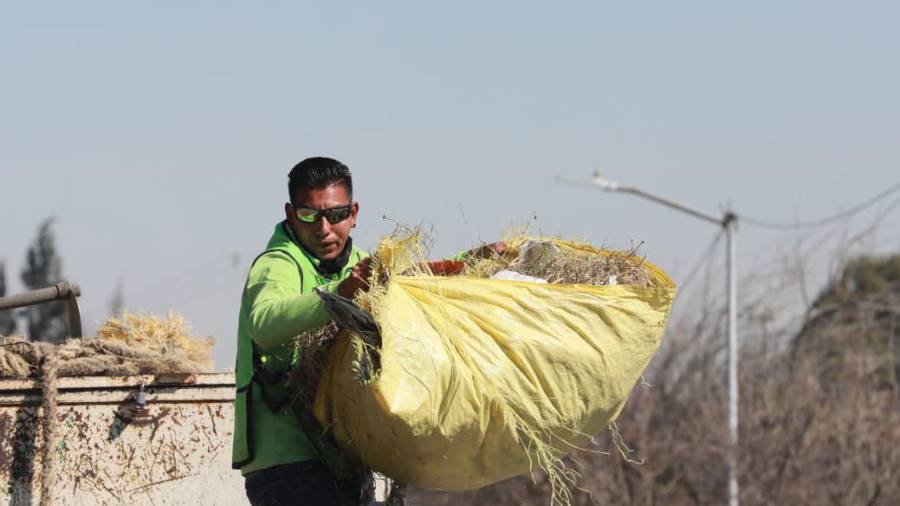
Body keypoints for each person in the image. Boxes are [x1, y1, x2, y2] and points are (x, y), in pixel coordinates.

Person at [233, 157, 371, 506]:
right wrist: (340, 295)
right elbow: (264, 323)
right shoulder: (278, 263)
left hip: (343, 458)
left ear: (354, 213)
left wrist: (468, 261)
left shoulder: (361, 266)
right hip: (288, 466)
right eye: (310, 215)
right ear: (291, 213)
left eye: (336, 215)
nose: (324, 228)